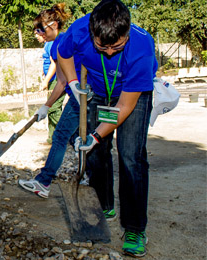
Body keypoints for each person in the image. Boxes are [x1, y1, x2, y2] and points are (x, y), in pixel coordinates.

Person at [57, 0, 157, 257]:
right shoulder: (79, 30)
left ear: (127, 32)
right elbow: (63, 54)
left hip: (130, 94)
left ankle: (134, 227)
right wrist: (73, 81)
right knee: (97, 153)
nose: (110, 53)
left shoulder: (142, 48)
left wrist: (94, 135)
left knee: (130, 156)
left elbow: (124, 107)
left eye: (117, 46)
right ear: (92, 34)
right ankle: (104, 204)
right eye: (103, 46)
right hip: (97, 93)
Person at [18, 3, 77, 198]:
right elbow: (60, 81)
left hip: (84, 95)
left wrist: (47, 106)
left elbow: (63, 83)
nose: (39, 33)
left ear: (52, 25)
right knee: (77, 137)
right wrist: (46, 106)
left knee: (60, 136)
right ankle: (88, 175)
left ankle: (43, 182)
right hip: (76, 95)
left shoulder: (67, 41)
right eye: (37, 30)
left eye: (40, 29)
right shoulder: (54, 48)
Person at [37, 16, 65, 144]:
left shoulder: (58, 42)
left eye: (39, 31)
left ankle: (65, 136)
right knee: (52, 109)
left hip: (59, 80)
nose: (38, 36)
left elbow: (55, 66)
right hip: (58, 80)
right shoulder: (51, 44)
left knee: (54, 108)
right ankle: (53, 138)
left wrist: (46, 81)